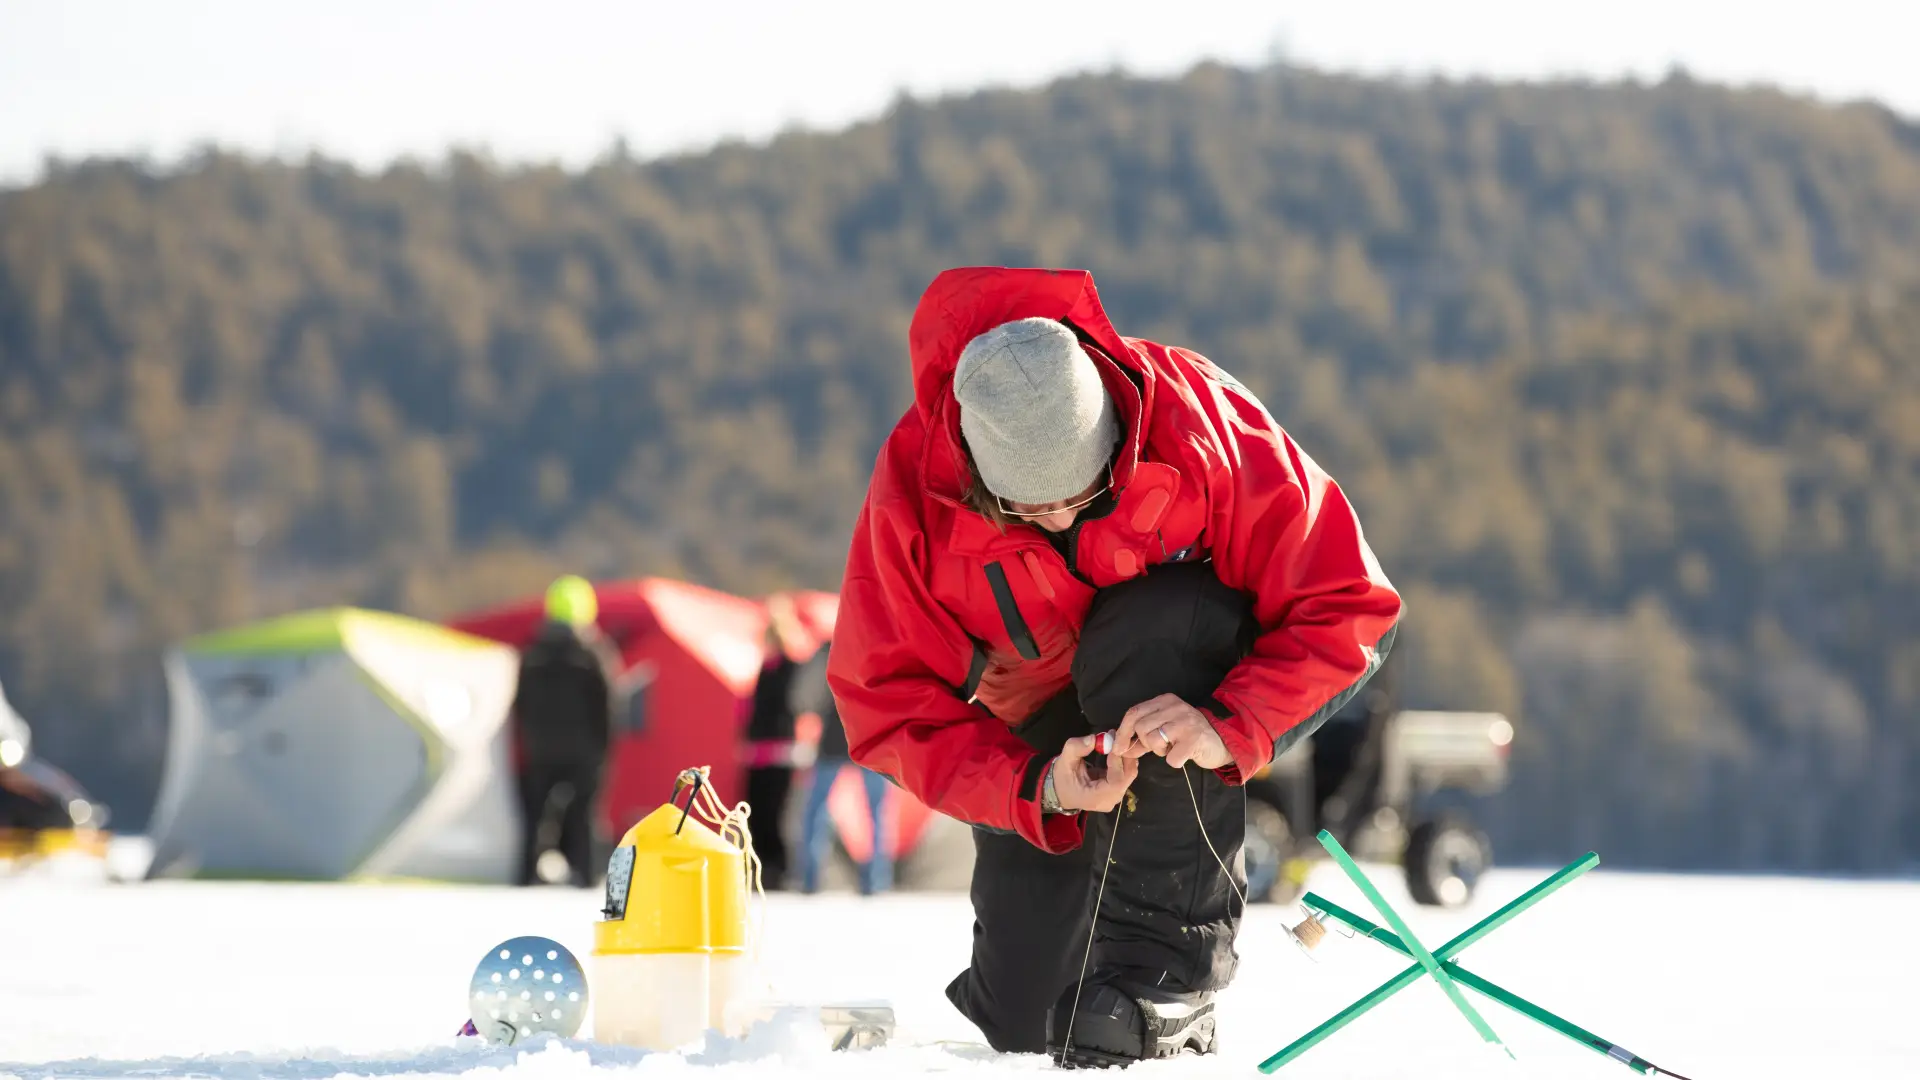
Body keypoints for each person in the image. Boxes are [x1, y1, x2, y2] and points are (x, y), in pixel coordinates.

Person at [825, 267, 1402, 1066]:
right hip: (1038, 735)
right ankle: (1062, 974)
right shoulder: (913, 495)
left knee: (1153, 624)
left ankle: (1166, 980)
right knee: (1031, 1027)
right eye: (1025, 508)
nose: (1060, 518)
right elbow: (883, 703)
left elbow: (1348, 601)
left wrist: (1228, 724)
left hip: (1177, 686)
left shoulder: (1202, 422)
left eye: (1085, 494)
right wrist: (1040, 787)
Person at [510, 574, 619, 888]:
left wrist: (530, 740)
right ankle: (586, 876)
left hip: (541, 749)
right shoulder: (594, 653)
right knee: (585, 815)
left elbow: (520, 703)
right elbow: (608, 703)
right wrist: (603, 747)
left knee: (536, 817)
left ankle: (525, 877)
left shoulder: (532, 654)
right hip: (585, 751)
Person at [790, 637, 893, 896]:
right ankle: (875, 881)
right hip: (870, 737)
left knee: (816, 809)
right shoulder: (880, 642)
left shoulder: (829, 646)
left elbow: (802, 695)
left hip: (835, 738)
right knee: (877, 811)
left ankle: (811, 879)